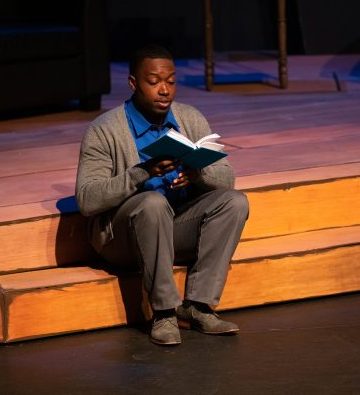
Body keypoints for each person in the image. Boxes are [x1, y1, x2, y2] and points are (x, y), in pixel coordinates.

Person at [75, 44, 249, 346]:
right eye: (154, 82)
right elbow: (88, 200)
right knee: (152, 203)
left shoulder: (189, 118)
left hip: (172, 230)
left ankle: (197, 307)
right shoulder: (104, 130)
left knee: (235, 202)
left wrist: (198, 173)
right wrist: (142, 173)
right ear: (133, 84)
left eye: (170, 81)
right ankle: (164, 313)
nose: (164, 90)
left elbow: (227, 179)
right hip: (122, 239)